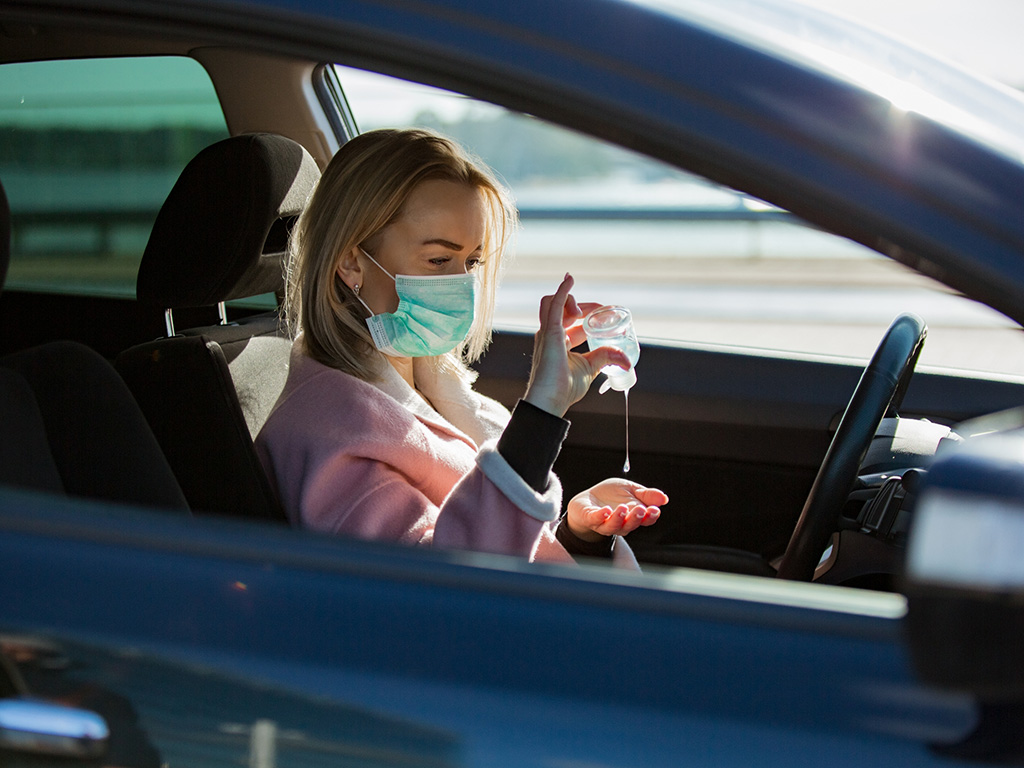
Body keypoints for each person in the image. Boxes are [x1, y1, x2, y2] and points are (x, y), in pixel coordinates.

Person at [256, 128, 667, 566]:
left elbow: (496, 538)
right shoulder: (329, 430)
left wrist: (577, 534)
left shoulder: (436, 393)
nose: (461, 283)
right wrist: (540, 413)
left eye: (471, 262)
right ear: (351, 261)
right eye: (438, 260)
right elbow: (445, 594)